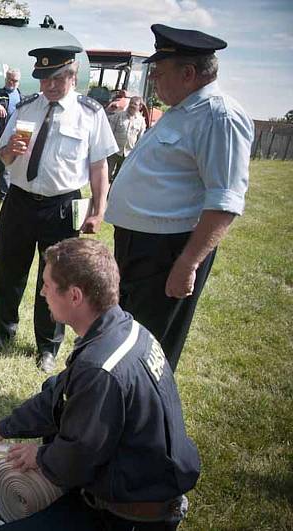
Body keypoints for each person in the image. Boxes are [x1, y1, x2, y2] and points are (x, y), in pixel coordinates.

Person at [0, 238, 201, 531]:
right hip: (135, 477)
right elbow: (58, 394)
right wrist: (3, 428)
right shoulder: (125, 329)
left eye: (48, 285)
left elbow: (77, 458)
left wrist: (39, 456)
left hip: (128, 515)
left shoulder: (99, 370)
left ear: (75, 296)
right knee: (51, 387)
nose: (42, 292)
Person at [105, 24, 253, 372]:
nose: (153, 79)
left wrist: (188, 263)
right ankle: (120, 410)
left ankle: (144, 419)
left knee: (150, 346)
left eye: (159, 72)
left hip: (168, 252)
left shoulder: (220, 116)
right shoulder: (183, 110)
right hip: (139, 245)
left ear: (188, 73)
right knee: (126, 336)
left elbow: (224, 202)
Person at [0, 46, 118, 372]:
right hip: (19, 199)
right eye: (44, 79)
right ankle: (1, 334)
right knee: (7, 271)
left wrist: (98, 210)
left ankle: (47, 346)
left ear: (72, 77)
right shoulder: (26, 107)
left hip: (61, 205)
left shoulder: (90, 114)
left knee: (56, 280)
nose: (50, 86)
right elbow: (2, 156)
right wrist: (9, 151)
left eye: (57, 78)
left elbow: (99, 166)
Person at [0, 68, 22, 200]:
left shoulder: (21, 96)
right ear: (6, 79)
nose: (12, 83)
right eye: (10, 79)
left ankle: (4, 194)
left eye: (15, 81)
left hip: (13, 134)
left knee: (6, 166)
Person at [107, 96, 146, 181]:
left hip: (128, 154)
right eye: (131, 103)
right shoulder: (119, 115)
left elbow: (140, 139)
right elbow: (110, 133)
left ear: (140, 107)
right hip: (114, 151)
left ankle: (113, 193)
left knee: (119, 178)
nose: (132, 105)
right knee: (107, 175)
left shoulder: (141, 121)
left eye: (135, 104)